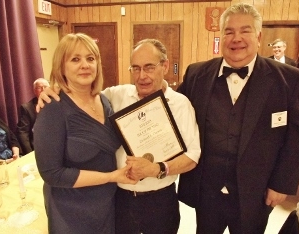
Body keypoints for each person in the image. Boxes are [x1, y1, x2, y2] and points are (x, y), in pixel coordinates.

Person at [37, 38, 201, 234]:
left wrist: (158, 168)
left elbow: (193, 156)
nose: (142, 76)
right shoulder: (115, 96)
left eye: (149, 67)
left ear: (164, 66)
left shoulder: (180, 104)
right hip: (119, 199)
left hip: (160, 200)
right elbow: (76, 96)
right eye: (136, 68)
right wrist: (51, 89)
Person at [177, 3, 299, 233]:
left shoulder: (288, 79)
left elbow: (297, 135)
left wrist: (281, 184)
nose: (236, 38)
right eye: (229, 31)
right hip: (207, 191)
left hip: (256, 193)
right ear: (221, 37)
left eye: (245, 31)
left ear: (258, 36)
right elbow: (173, 113)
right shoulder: (196, 74)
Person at [33, 33, 136, 234]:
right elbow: (51, 174)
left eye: (90, 58)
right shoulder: (53, 108)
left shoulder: (104, 100)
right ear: (61, 67)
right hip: (71, 210)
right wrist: (111, 176)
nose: (85, 65)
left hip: (106, 202)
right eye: (75, 59)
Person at [16, 78, 49, 155]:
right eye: (39, 87)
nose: (43, 89)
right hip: (39, 145)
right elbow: (23, 132)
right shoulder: (27, 108)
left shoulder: (57, 102)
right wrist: (30, 153)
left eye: (45, 87)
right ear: (34, 91)